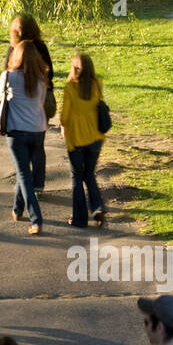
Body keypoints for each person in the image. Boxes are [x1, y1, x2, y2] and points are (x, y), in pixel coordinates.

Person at [0, 37, 48, 234]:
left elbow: (0, 99)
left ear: (15, 56)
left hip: (16, 131)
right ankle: (17, 210)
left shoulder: (9, 76)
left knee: (23, 174)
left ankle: (36, 220)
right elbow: (42, 102)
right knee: (24, 172)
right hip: (38, 130)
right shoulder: (42, 79)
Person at [4, 15, 54, 194]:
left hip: (18, 106)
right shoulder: (40, 47)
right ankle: (38, 183)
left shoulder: (13, 48)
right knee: (38, 146)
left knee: (21, 147)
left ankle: (23, 183)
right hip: (39, 103)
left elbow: (6, 72)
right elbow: (51, 73)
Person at [60, 52, 106, 229]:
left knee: (77, 177)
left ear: (75, 69)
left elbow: (64, 117)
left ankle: (79, 219)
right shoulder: (98, 84)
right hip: (95, 139)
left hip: (77, 140)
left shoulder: (71, 88)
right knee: (90, 174)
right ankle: (97, 207)